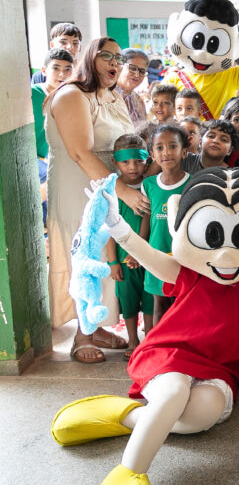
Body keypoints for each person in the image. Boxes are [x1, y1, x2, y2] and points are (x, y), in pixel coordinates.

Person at [51, 168, 239, 485]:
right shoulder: (193, 271)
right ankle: (129, 473)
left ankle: (125, 417)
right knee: (173, 393)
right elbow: (152, 260)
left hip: (220, 369)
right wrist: (118, 227)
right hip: (173, 351)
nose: (227, 256)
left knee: (201, 415)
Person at [46, 37, 139, 363]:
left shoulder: (111, 96)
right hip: (80, 191)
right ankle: (81, 337)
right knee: (86, 257)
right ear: (88, 58)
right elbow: (80, 152)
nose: (115, 62)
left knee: (105, 258)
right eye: (106, 56)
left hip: (105, 189)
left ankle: (96, 327)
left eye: (118, 57)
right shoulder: (72, 95)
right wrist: (122, 190)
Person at [139, 124, 190, 325]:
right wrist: (140, 248)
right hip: (156, 254)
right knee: (158, 304)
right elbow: (146, 217)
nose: (166, 152)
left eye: (172, 146)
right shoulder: (149, 185)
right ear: (152, 154)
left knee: (182, 304)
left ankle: (181, 351)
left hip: (183, 258)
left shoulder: (192, 184)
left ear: (184, 151)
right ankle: (153, 352)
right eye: (159, 148)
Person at [106, 134, 152, 358]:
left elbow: (146, 217)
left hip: (149, 255)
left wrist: (139, 251)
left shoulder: (149, 186)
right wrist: (113, 261)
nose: (133, 167)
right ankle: (133, 340)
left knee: (151, 296)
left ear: (148, 160)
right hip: (124, 259)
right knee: (128, 299)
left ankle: (151, 338)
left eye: (138, 161)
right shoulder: (112, 191)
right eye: (125, 162)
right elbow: (108, 232)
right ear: (115, 163)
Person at [32, 48, 74, 162]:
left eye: (67, 69)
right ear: (44, 70)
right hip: (29, 159)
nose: (62, 74)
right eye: (56, 68)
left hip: (49, 160)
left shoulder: (71, 97)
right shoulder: (32, 94)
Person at [116, 48, 149, 124]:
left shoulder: (138, 100)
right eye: (132, 68)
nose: (137, 75)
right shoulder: (106, 95)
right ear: (119, 66)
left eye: (141, 71)